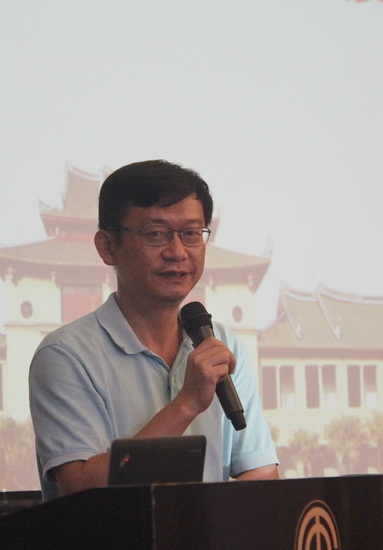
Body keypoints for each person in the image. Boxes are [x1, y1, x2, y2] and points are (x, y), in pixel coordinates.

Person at [29, 159, 279, 501]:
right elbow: (80, 487)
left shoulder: (221, 343)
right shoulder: (65, 355)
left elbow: (260, 472)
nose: (177, 252)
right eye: (155, 234)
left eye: (191, 234)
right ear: (107, 247)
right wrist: (186, 404)